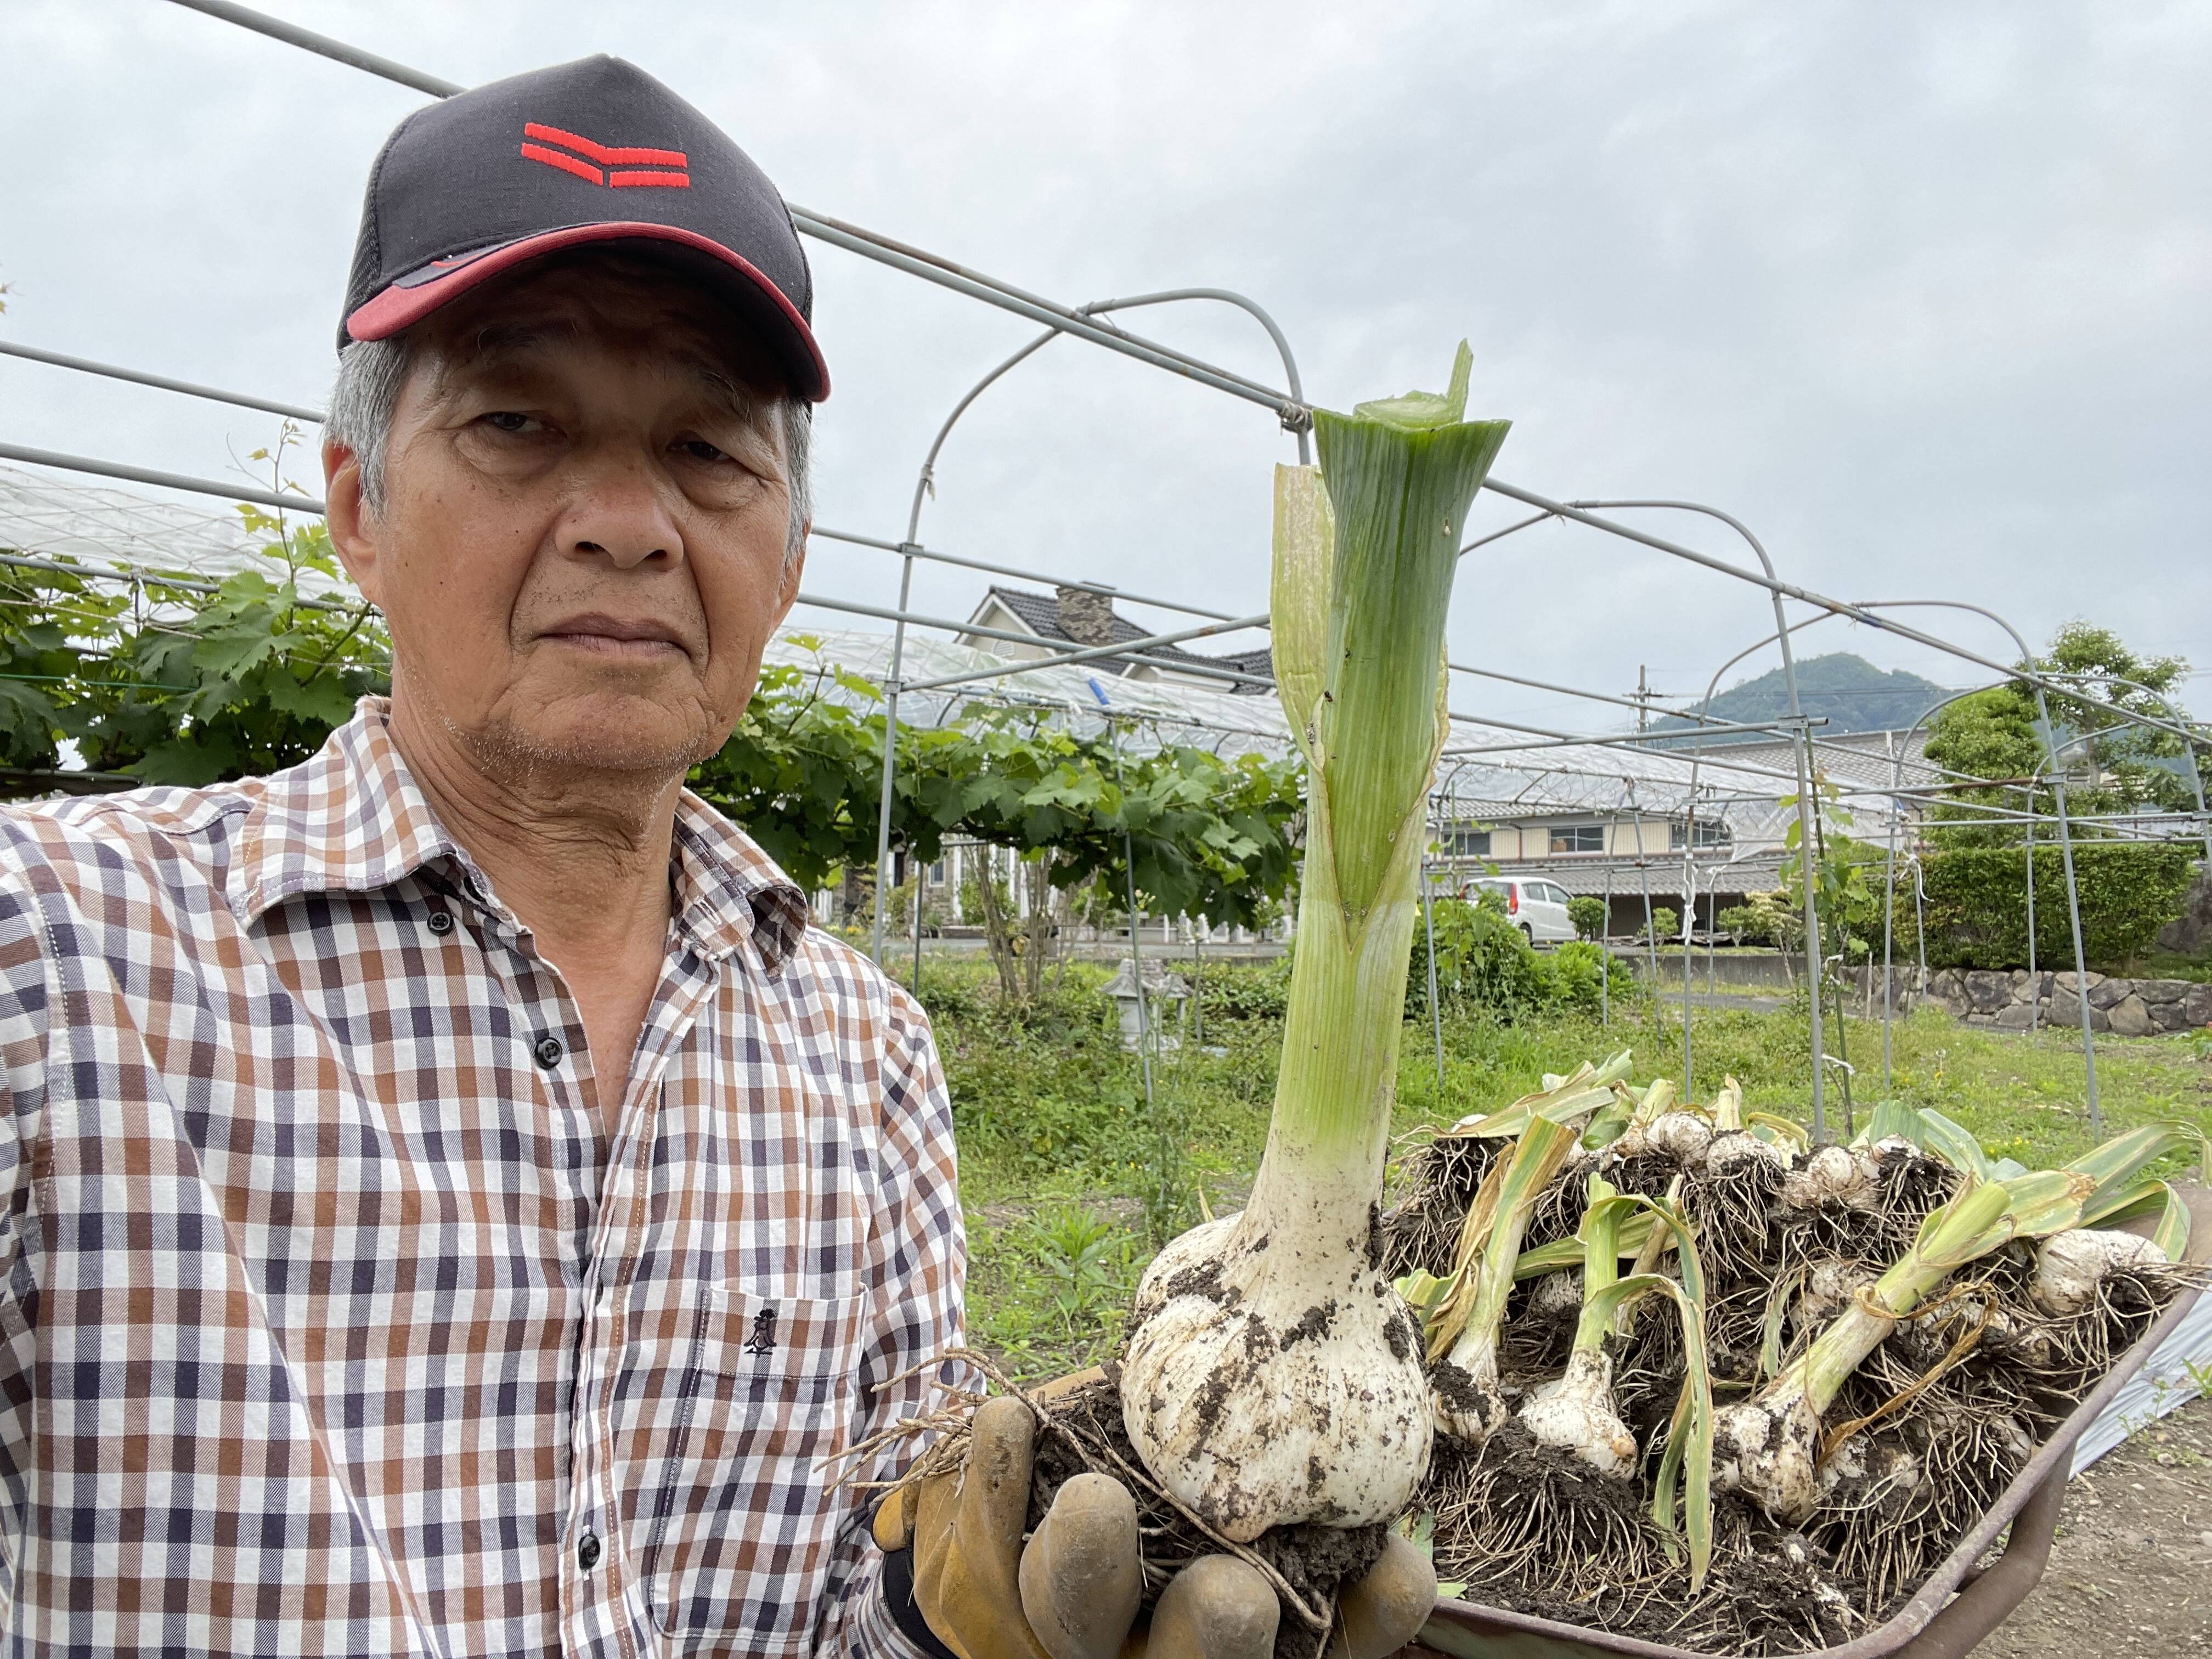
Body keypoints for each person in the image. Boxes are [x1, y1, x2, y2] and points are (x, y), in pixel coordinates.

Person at [0, 54, 1431, 1659]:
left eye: (708, 454)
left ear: (791, 555)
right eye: (519, 422)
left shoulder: (862, 1054)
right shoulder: (53, 959)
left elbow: (869, 1593)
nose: (628, 520)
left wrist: (958, 1619)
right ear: (356, 506)